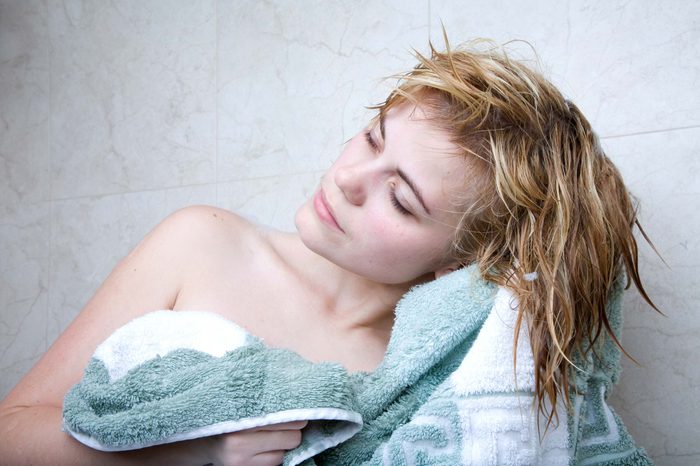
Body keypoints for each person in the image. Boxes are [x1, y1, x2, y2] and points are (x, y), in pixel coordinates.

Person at [0, 37, 656, 465]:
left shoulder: (406, 392)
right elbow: (12, 430)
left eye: (400, 199)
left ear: (458, 263)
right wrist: (185, 452)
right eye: (372, 139)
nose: (346, 179)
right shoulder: (203, 242)